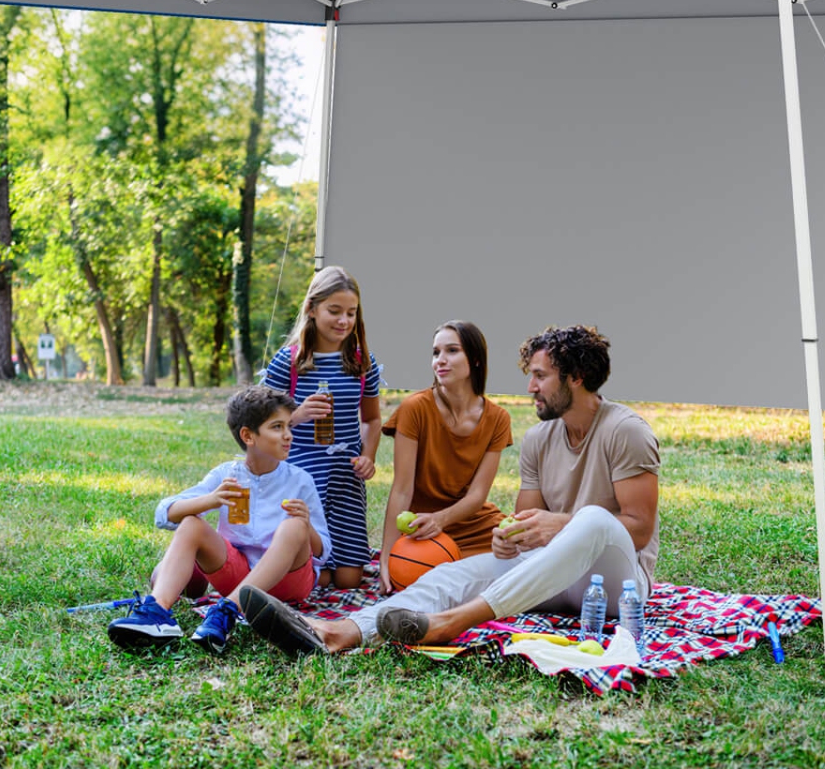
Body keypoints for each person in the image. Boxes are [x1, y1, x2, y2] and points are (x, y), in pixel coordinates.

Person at [239, 324, 658, 658]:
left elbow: (637, 529)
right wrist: (507, 538)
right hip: (551, 579)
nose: (530, 386)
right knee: (449, 573)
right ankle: (340, 632)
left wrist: (560, 525)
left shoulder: (625, 431)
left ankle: (450, 623)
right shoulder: (539, 440)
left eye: (540, 376)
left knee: (592, 520)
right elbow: (525, 525)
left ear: (577, 377)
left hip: (616, 587)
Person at [106, 384, 330, 655]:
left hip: (287, 584)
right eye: (277, 427)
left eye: (288, 427)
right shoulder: (227, 475)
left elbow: (323, 551)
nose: (288, 435)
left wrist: (307, 527)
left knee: (294, 525)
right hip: (235, 576)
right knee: (191, 522)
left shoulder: (300, 480)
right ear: (248, 436)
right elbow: (164, 513)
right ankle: (157, 612)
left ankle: (227, 610)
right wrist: (210, 500)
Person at [260, 266, 382, 589]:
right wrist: (295, 416)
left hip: (345, 476)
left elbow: (371, 420)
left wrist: (368, 456)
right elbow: (261, 423)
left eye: (351, 313)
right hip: (302, 475)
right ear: (312, 310)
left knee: (348, 579)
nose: (344, 321)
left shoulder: (360, 362)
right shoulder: (289, 361)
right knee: (319, 576)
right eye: (335, 311)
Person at [375, 320, 513, 588]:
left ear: (474, 359)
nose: (440, 360)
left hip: (471, 523)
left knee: (521, 554)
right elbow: (401, 489)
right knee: (426, 579)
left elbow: (477, 497)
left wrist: (443, 519)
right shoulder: (414, 408)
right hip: (422, 527)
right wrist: (387, 558)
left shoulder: (498, 418)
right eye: (436, 352)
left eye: (451, 351)